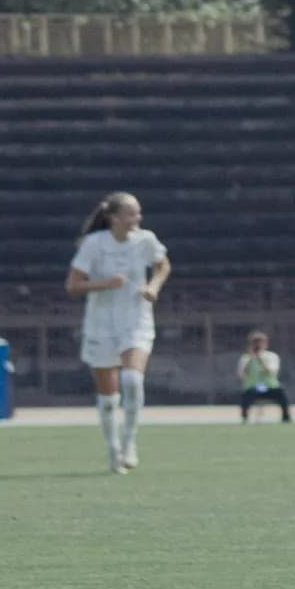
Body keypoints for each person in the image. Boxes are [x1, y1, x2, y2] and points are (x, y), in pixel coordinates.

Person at [64, 192, 171, 474]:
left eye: (138, 213)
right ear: (114, 217)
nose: (137, 218)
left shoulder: (145, 240)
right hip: (101, 324)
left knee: (132, 379)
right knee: (109, 397)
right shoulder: (94, 244)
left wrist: (153, 287)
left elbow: (162, 265)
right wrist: (105, 284)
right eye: (131, 214)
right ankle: (113, 451)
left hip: (136, 320)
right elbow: (73, 285)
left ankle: (129, 443)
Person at [237, 332, 293, 423]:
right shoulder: (246, 358)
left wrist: (260, 359)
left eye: (260, 343)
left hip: (269, 387)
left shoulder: (271, 356)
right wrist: (250, 360)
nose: (258, 345)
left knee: (281, 394)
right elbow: (241, 374)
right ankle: (245, 418)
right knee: (246, 396)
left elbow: (272, 372)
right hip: (253, 388)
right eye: (255, 343)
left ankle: (286, 417)